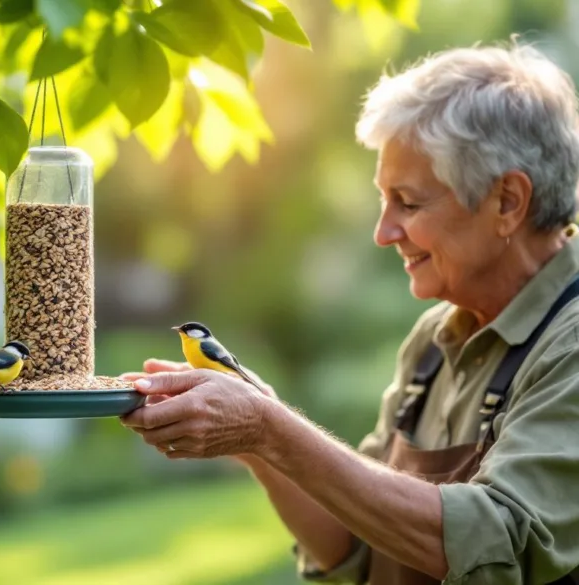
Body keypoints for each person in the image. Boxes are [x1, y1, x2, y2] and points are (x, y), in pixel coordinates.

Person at [119, 42, 579, 584]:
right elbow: (356, 545)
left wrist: (271, 429)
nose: (383, 233)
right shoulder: (434, 340)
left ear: (507, 202)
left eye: (408, 202)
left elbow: (502, 545)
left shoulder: (567, 346)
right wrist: (256, 441)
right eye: (383, 202)